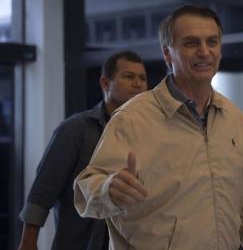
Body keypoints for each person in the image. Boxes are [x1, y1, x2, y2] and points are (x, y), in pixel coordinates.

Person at [73, 5, 243, 250]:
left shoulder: (235, 120)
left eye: (212, 42)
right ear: (167, 54)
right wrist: (108, 190)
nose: (205, 52)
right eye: (191, 43)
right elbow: (85, 191)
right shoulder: (132, 119)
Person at [18, 50, 148, 250]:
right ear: (105, 83)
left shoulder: (148, 132)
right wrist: (28, 241)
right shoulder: (76, 129)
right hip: (81, 242)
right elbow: (43, 190)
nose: (138, 84)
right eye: (128, 77)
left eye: (142, 78)